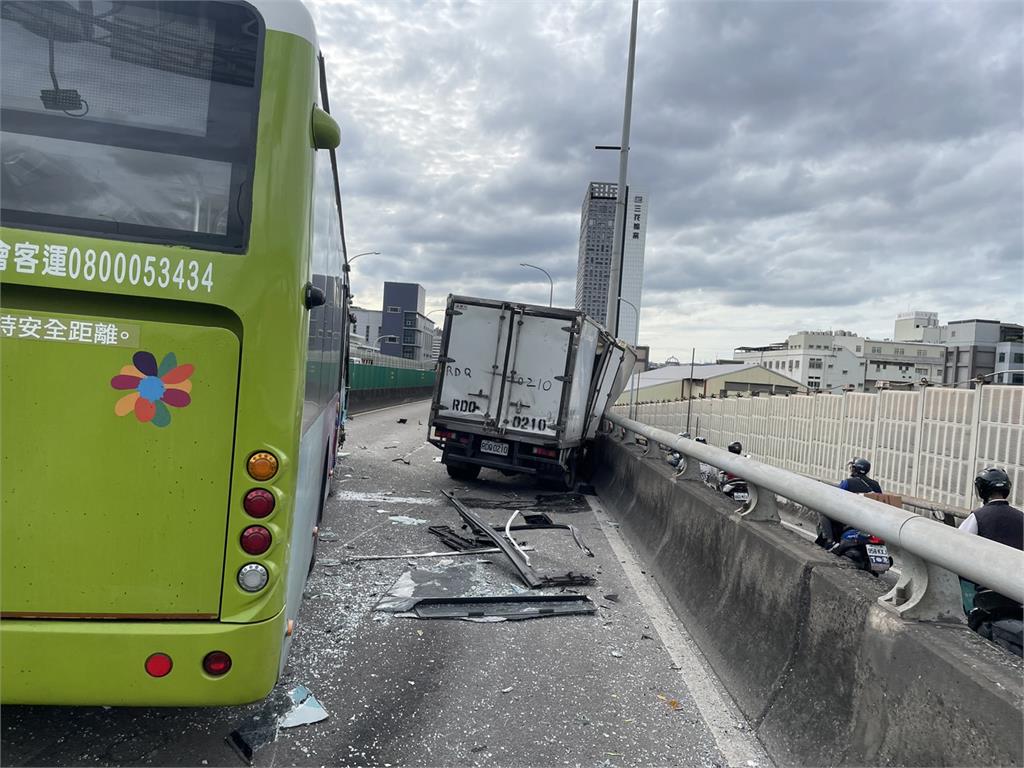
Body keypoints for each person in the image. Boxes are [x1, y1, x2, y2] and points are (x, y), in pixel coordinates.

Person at [959, 467, 1023, 611]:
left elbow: (958, 544)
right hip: (1017, 586)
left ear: (981, 490)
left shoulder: (978, 516)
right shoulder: (1021, 518)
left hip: (986, 586)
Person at [815, 458, 882, 549]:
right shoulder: (876, 485)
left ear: (855, 469)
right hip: (870, 518)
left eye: (852, 467)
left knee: (822, 511)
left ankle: (830, 541)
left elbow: (835, 497)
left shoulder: (848, 482)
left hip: (850, 516)